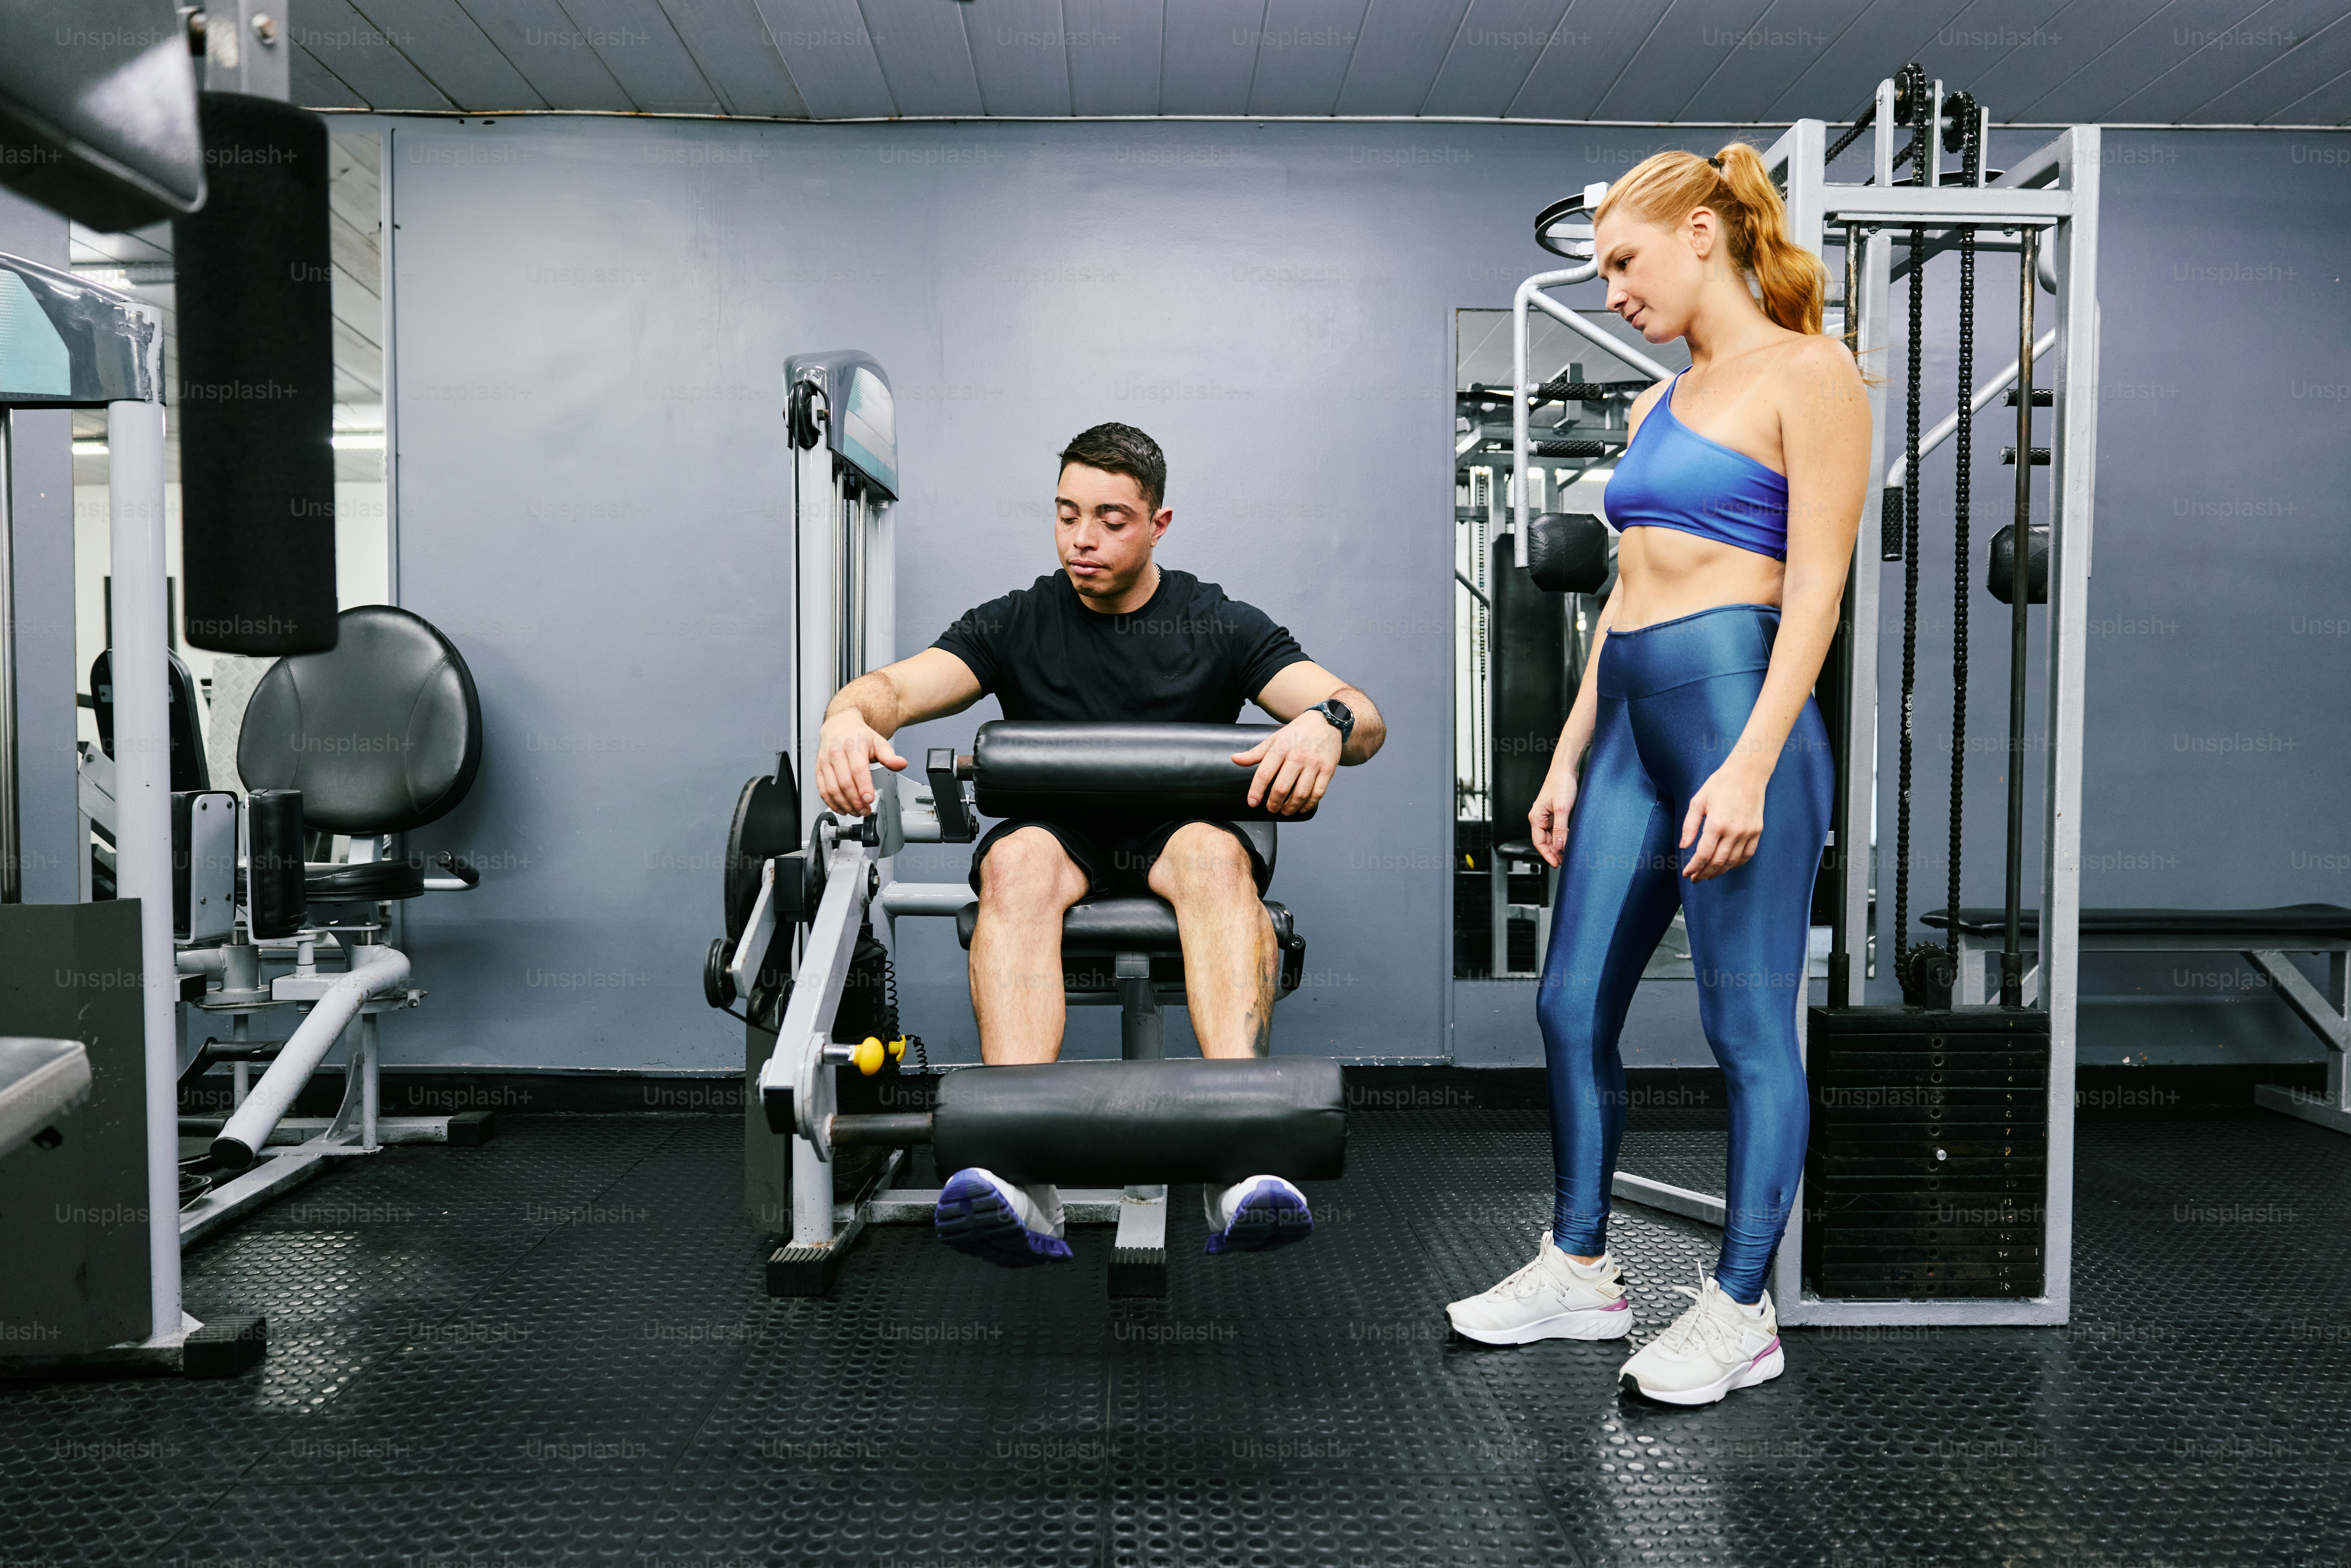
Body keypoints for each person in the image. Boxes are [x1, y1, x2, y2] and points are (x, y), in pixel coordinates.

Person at [1444, 144, 1868, 1405]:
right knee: (1567, 1005)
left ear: (1700, 232)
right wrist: (1570, 754)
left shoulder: (1813, 371)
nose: (1611, 291)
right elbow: (1625, 595)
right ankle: (1580, 1266)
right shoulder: (1652, 405)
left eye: (1621, 263)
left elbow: (1817, 593)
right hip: (1627, 719)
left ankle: (1740, 1307)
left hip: (1742, 718)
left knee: (1745, 1028)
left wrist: (1744, 766)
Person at [811, 422, 1386, 1268]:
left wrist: (1326, 723)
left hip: (1183, 831)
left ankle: (1241, 1159)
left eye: (1112, 519)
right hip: (1061, 835)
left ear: (1160, 524)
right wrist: (845, 720)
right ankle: (1022, 1171)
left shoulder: (1218, 621)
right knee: (1016, 860)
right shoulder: (1016, 623)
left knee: (1211, 855)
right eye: (1067, 514)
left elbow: (1362, 715)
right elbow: (893, 688)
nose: (1083, 538)